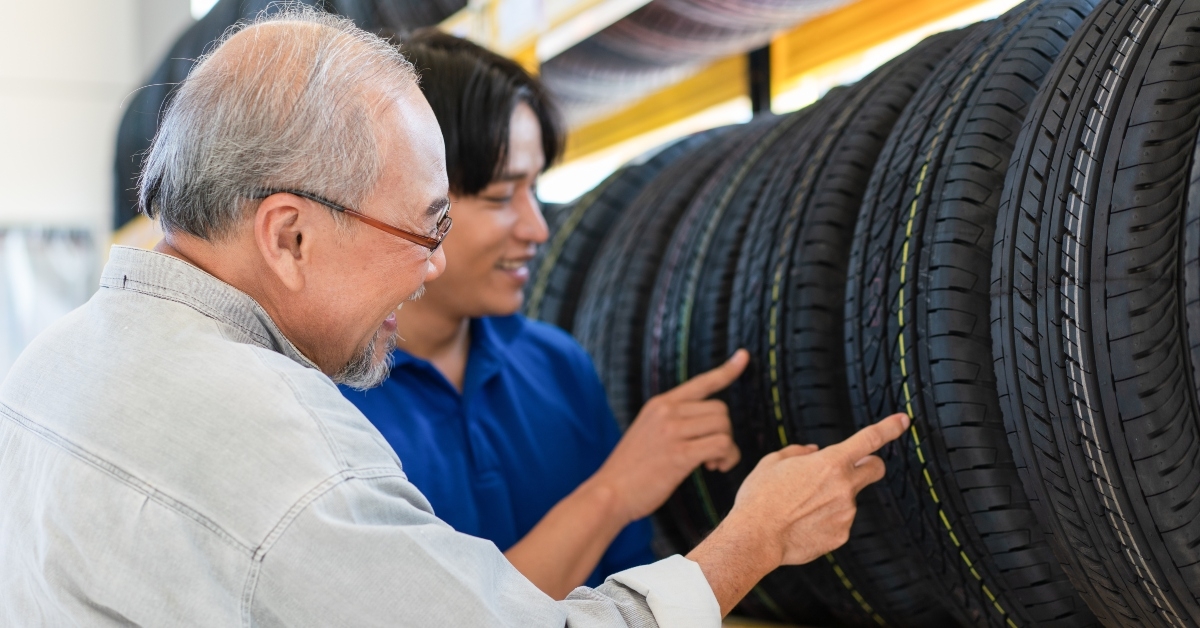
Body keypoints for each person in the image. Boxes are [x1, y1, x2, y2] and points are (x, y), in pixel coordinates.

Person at [0, 8, 909, 626]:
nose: (432, 265)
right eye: (427, 225)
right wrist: (753, 540)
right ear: (288, 235)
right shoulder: (294, 449)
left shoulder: (51, 363)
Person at [339, 29, 743, 599]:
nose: (538, 229)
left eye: (536, 188)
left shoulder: (558, 366)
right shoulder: (325, 402)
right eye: (503, 196)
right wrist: (616, 489)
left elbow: (626, 592)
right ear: (410, 196)